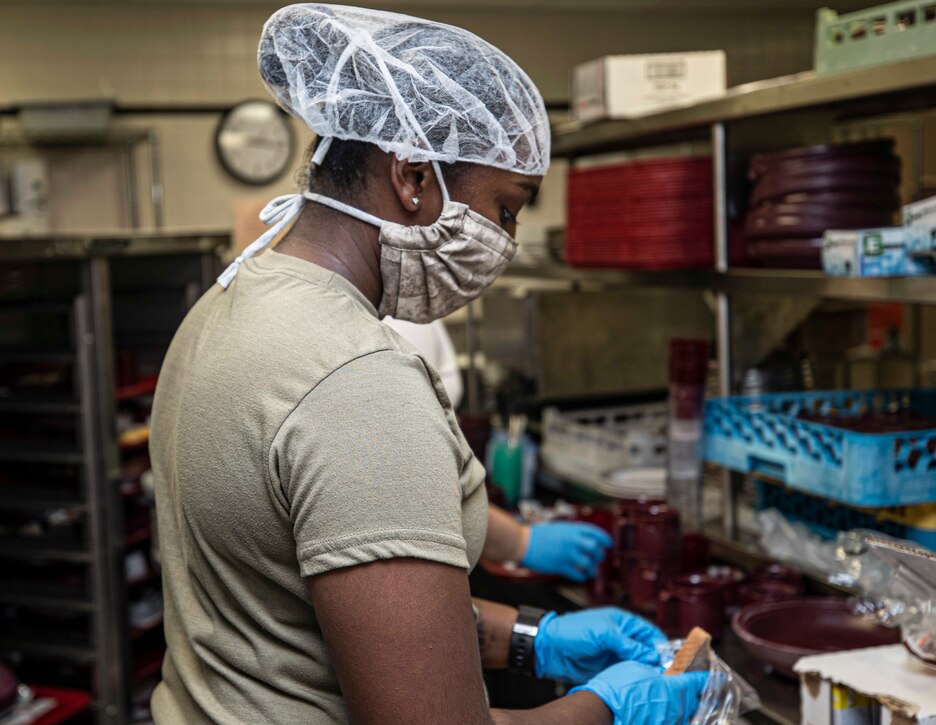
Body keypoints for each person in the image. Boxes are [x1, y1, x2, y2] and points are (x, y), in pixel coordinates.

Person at [149, 5, 706, 724]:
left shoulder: (231, 299)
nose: (503, 242)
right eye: (506, 209)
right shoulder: (356, 381)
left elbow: (317, 611)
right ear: (413, 176)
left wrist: (534, 640)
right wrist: (611, 709)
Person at [380, 319, 614, 581]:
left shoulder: (412, 316)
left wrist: (520, 540)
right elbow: (411, 500)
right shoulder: (379, 352)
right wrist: (520, 543)